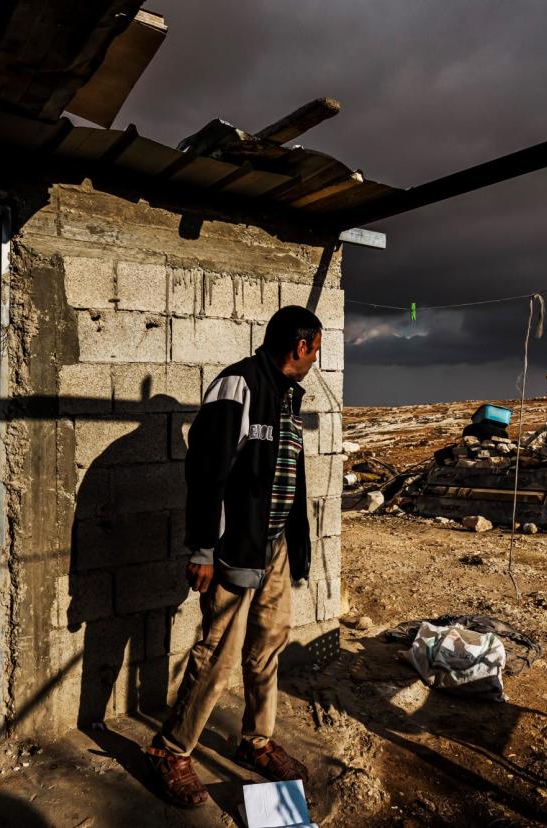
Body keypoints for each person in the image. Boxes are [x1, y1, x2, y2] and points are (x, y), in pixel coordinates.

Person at [145, 305, 322, 809]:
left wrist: (296, 548)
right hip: (235, 549)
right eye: (315, 350)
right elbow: (207, 473)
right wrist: (203, 547)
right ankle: (170, 749)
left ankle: (257, 741)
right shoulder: (237, 385)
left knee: (268, 646)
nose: (315, 360)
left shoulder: (288, 396)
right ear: (301, 346)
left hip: (275, 548)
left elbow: (286, 476)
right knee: (219, 655)